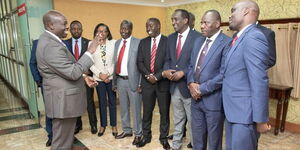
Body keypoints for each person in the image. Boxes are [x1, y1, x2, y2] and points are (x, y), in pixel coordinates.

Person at [36, 10, 99, 150]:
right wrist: (90, 51)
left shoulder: (51, 41)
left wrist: (84, 77)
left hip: (63, 99)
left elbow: (63, 69)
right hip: (62, 100)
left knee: (66, 138)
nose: (67, 27)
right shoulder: (51, 45)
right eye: (64, 24)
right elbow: (72, 72)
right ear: (51, 25)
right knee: (61, 143)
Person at [223, 1, 271, 150]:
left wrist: (261, 119)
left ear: (246, 11)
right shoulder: (238, 37)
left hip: (244, 116)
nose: (230, 15)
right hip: (233, 112)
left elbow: (259, 80)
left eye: (233, 10)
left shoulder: (254, 37)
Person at [187, 10, 231, 150]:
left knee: (214, 142)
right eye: (201, 22)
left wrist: (201, 89)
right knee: (197, 139)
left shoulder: (227, 43)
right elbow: (190, 66)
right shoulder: (198, 40)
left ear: (217, 24)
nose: (202, 26)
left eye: (206, 22)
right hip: (195, 100)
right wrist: (190, 84)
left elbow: (224, 74)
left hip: (213, 101)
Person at [162, 9, 203, 150]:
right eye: (172, 19)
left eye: (176, 19)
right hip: (174, 87)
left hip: (190, 87)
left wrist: (183, 73)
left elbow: (198, 63)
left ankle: (196, 145)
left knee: (193, 121)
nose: (173, 22)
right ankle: (176, 145)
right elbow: (167, 59)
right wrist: (166, 71)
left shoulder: (198, 37)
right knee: (177, 119)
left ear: (185, 20)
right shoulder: (171, 38)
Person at [136, 18, 171, 149]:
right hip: (147, 83)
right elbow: (139, 62)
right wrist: (147, 75)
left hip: (162, 84)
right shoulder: (143, 42)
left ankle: (163, 138)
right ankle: (146, 136)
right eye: (146, 26)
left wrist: (156, 77)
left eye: (150, 25)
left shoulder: (168, 42)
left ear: (159, 26)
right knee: (147, 112)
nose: (148, 28)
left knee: (164, 112)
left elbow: (169, 61)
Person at [113, 20, 142, 145]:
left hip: (134, 81)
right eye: (122, 28)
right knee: (123, 108)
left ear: (131, 29)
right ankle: (127, 130)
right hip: (120, 80)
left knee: (135, 109)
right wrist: (114, 82)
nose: (123, 31)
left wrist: (140, 83)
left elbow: (141, 64)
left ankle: (138, 133)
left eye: (126, 29)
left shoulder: (138, 42)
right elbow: (115, 62)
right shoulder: (117, 43)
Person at [64, 20, 95, 134]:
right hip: (72, 79)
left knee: (89, 102)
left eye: (78, 29)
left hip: (86, 78)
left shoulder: (89, 43)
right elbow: (65, 62)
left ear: (82, 30)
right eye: (74, 28)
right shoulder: (65, 44)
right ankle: (78, 125)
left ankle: (93, 125)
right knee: (74, 103)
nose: (76, 31)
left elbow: (93, 60)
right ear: (70, 30)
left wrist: (88, 73)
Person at [89, 23, 118, 137]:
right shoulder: (92, 44)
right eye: (99, 30)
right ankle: (103, 125)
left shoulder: (113, 43)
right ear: (96, 32)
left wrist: (108, 73)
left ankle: (114, 125)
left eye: (104, 31)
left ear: (108, 33)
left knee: (112, 102)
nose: (101, 33)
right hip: (98, 79)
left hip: (110, 78)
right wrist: (100, 74)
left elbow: (116, 61)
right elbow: (89, 62)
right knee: (101, 103)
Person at [29, 39, 53, 147]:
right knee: (50, 109)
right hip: (46, 83)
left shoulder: (62, 42)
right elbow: (32, 63)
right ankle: (52, 136)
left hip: (63, 84)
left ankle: (64, 136)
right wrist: (39, 80)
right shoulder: (38, 43)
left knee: (63, 110)